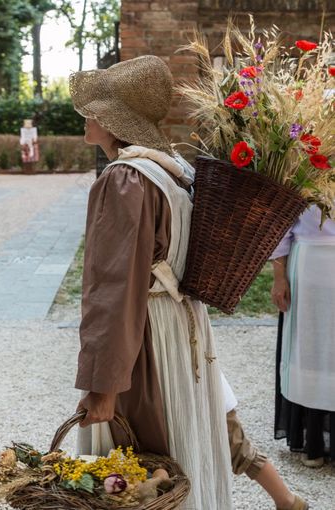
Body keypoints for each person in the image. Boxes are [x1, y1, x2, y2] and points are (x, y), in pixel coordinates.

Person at [69, 55, 308, 510]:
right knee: (177, 441)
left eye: (94, 110)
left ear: (111, 120)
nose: (88, 117)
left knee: (142, 456)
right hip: (180, 324)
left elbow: (114, 290)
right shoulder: (175, 175)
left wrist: (103, 384)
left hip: (144, 337)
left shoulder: (124, 179)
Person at [271, 204, 335, 468]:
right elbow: (279, 220)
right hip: (308, 264)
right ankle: (313, 442)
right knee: (308, 352)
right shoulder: (301, 164)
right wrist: (278, 276)